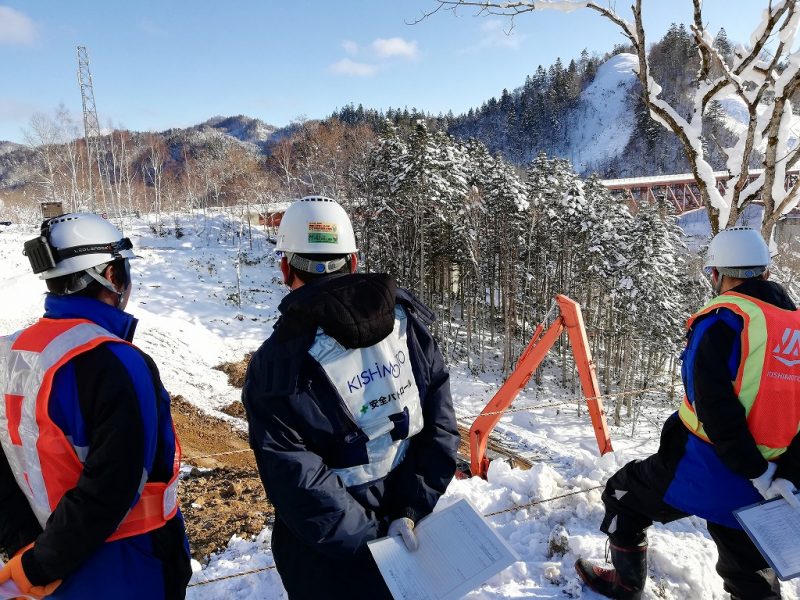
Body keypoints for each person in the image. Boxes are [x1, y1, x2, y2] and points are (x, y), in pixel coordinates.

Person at [243, 195, 459, 599]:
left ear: (285, 266)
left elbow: (297, 480)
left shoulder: (277, 363)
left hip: (329, 563)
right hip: (411, 537)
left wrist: (369, 543)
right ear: (354, 261)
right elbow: (441, 428)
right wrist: (409, 511)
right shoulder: (407, 325)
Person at [575, 226, 800, 600]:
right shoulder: (795, 327)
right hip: (776, 479)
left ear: (716, 274)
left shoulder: (723, 320)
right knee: (749, 576)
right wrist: (786, 475)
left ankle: (625, 585)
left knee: (622, 493)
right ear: (767, 273)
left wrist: (755, 471)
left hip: (706, 467)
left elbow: (714, 407)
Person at [0, 213, 191, 599]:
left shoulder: (11, 353)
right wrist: (42, 561)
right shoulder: (117, 362)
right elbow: (114, 486)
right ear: (111, 276)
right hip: (129, 566)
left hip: (48, 566)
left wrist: (30, 552)